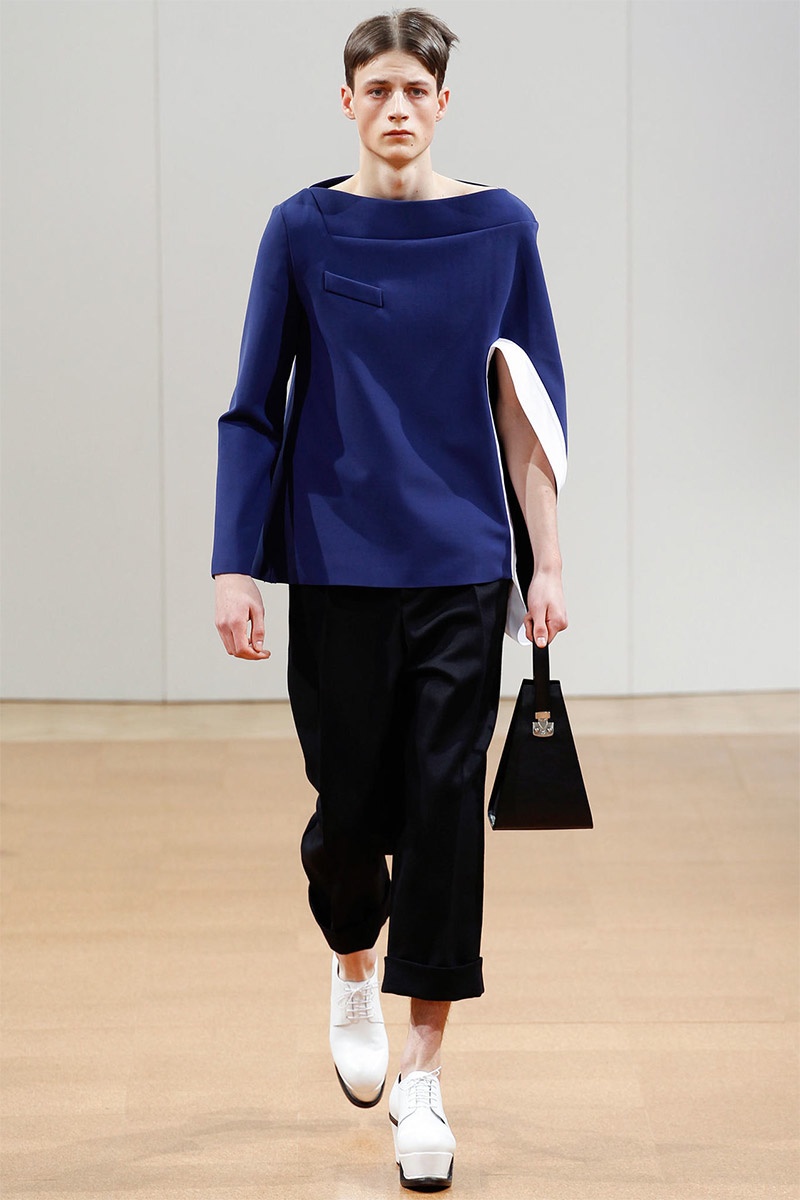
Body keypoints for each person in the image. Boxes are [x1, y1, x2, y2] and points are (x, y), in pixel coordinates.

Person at [212, 8, 568, 1191]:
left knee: (443, 809)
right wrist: (231, 562)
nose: (398, 107)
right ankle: (351, 960)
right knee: (347, 809)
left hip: (461, 564)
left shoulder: (500, 230)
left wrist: (546, 563)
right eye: (378, 90)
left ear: (443, 103)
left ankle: (422, 1078)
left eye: (417, 89)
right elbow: (254, 403)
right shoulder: (301, 229)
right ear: (347, 102)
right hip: (335, 565)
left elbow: (527, 409)